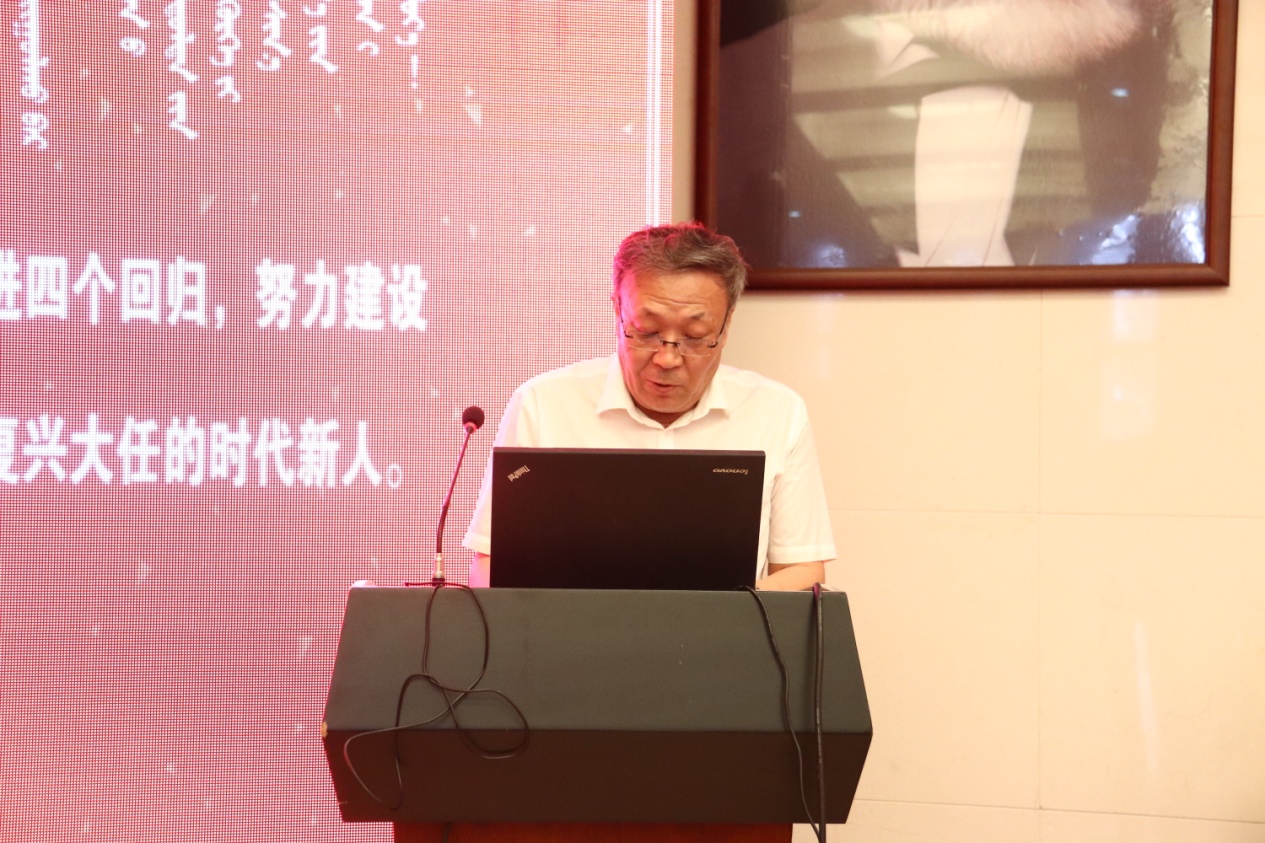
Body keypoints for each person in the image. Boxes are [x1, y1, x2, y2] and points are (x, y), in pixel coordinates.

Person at [462, 221, 835, 590]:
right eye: (647, 331)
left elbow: (802, 568)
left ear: (725, 327)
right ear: (617, 310)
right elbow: (490, 566)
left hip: (723, 629)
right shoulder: (543, 405)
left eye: (694, 337)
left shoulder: (776, 411)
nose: (667, 358)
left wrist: (718, 614)